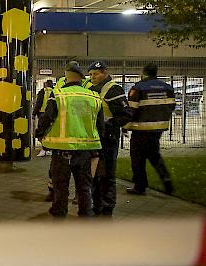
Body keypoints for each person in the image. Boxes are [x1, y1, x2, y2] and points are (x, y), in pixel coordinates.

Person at [36, 61, 104, 218]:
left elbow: (47, 118)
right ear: (81, 79)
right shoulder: (93, 96)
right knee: (84, 187)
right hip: (86, 151)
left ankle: (59, 213)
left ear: (66, 78)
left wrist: (39, 134)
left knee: (60, 186)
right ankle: (85, 214)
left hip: (62, 151)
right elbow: (100, 126)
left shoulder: (59, 94)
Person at [86, 61, 131, 216]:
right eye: (90, 74)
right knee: (93, 173)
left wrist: (109, 125)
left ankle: (107, 206)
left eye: (96, 73)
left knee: (106, 174)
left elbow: (125, 114)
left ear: (104, 72)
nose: (92, 77)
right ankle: (96, 204)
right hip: (92, 139)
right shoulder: (88, 88)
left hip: (108, 139)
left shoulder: (113, 89)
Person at [124, 63, 175, 195]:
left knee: (137, 157)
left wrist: (124, 125)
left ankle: (140, 186)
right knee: (154, 155)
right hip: (159, 128)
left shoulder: (138, 88)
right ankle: (167, 180)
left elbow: (131, 109)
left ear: (144, 73)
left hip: (141, 128)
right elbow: (172, 106)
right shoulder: (167, 87)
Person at [33, 80, 54, 157]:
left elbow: (38, 103)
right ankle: (49, 149)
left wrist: (34, 113)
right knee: (49, 132)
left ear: (45, 85)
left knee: (41, 131)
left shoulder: (42, 91)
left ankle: (44, 149)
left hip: (42, 114)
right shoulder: (55, 91)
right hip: (51, 114)